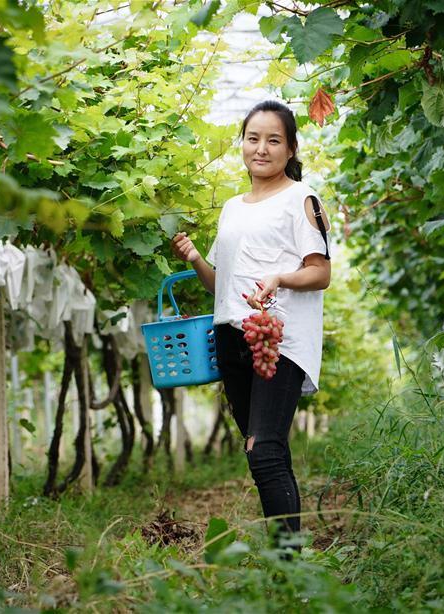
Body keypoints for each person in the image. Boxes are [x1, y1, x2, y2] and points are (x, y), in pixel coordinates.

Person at [171, 100, 331, 547]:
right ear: (242, 143)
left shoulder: (302, 198)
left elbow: (320, 273)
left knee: (264, 451)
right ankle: (288, 558)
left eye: (273, 140)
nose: (261, 148)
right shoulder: (232, 208)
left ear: (291, 148)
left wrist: (280, 277)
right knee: (262, 450)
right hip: (231, 336)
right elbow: (221, 285)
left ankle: (286, 564)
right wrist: (196, 259)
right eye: (253, 138)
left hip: (276, 338)